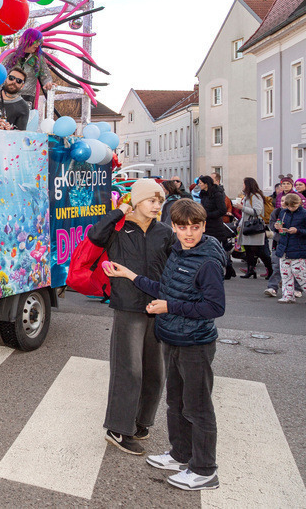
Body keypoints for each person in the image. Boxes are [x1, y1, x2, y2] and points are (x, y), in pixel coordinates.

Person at [107, 199, 225, 491]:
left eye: (195, 228)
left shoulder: (207, 261)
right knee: (176, 403)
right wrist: (129, 275)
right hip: (172, 338)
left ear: (203, 227)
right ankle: (180, 454)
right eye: (183, 228)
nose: (189, 233)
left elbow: (214, 307)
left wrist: (169, 307)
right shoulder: (178, 252)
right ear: (174, 227)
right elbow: (164, 288)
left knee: (197, 408)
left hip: (195, 343)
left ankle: (204, 469)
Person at [92, 178, 176, 455]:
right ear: (136, 202)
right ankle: (118, 428)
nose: (156, 206)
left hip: (157, 305)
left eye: (159, 201)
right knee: (128, 369)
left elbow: (175, 264)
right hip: (128, 305)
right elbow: (94, 236)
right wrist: (119, 211)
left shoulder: (164, 232)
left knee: (154, 369)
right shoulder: (118, 230)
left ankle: (141, 422)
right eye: (151, 200)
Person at [196, 176, 236, 279]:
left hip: (215, 226)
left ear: (206, 184)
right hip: (206, 225)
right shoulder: (203, 194)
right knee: (207, 249)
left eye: (200, 183)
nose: (199, 185)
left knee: (216, 249)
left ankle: (227, 267)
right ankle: (221, 268)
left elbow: (222, 210)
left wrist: (208, 215)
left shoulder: (217, 194)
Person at [6, 28, 55, 108]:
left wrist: (48, 83)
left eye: (40, 42)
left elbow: (45, 76)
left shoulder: (39, 59)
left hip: (26, 98)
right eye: (36, 41)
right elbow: (2, 75)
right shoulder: (12, 56)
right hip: (8, 96)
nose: (38, 44)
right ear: (28, 40)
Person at [235, 177, 272, 279]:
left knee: (259, 250)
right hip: (247, 226)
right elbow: (244, 215)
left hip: (254, 227)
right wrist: (239, 225)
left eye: (244, 184)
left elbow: (257, 211)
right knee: (248, 250)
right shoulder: (247, 196)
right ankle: (250, 270)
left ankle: (270, 269)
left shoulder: (256, 196)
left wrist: (242, 207)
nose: (242, 185)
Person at [274, 192, 306, 304]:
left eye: (294, 206)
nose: (291, 208)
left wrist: (298, 231)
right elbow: (279, 228)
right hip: (284, 247)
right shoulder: (283, 213)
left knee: (301, 274)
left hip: (298, 248)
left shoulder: (304, 214)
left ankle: (291, 294)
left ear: (299, 204)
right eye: (289, 206)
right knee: (285, 274)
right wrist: (278, 228)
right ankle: (288, 295)